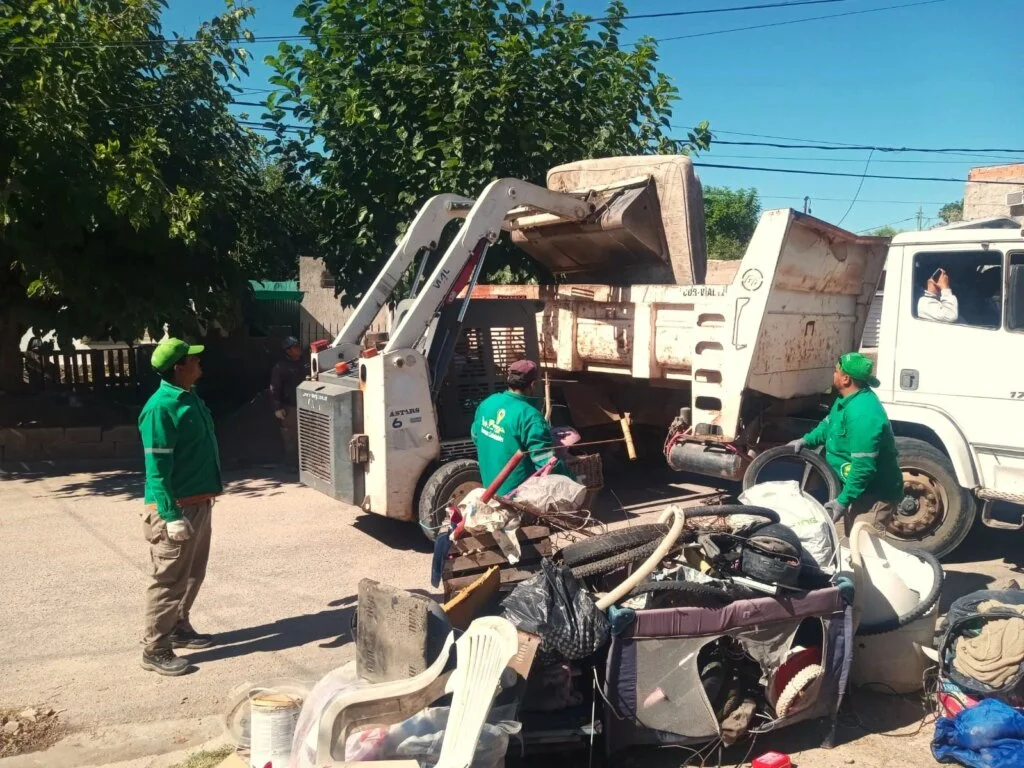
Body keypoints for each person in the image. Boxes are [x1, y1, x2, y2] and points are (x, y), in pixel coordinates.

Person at [138, 338, 222, 676]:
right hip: (175, 510)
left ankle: (178, 625)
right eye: (193, 360)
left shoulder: (190, 399)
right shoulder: (161, 407)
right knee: (168, 580)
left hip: (198, 504)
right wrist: (171, 516)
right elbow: (156, 470)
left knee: (192, 574)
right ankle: (155, 648)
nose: (199, 365)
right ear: (178, 367)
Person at [788, 352, 904, 534]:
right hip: (851, 490)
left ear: (845, 379)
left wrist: (843, 501)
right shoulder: (845, 400)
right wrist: (806, 440)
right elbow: (828, 425)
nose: (833, 375)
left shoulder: (863, 415)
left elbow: (863, 468)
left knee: (862, 552)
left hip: (873, 495)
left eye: (836, 372)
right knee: (838, 545)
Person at [471, 359, 572, 496]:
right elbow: (546, 464)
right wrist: (571, 478)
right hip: (516, 497)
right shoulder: (530, 416)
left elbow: (476, 436)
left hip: (489, 490)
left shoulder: (487, 403)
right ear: (532, 384)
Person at [270, 336, 306, 467]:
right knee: (290, 437)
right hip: (290, 407)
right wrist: (277, 406)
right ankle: (291, 464)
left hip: (307, 406)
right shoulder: (281, 367)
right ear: (288, 351)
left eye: (298, 346)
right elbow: (275, 387)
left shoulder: (305, 363)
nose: (298, 349)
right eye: (295, 347)